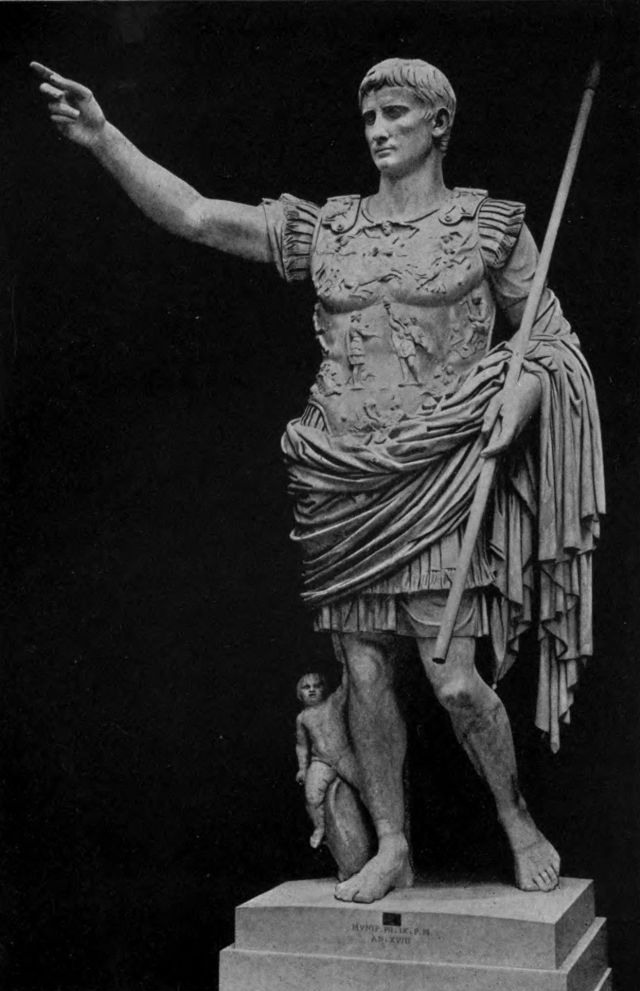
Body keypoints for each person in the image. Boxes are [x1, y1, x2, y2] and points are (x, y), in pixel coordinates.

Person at [31, 56, 604, 904]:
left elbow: (550, 342)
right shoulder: (327, 229)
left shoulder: (487, 228)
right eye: (369, 116)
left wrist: (518, 401)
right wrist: (104, 137)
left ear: (439, 123)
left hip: (438, 477)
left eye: (397, 113)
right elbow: (196, 216)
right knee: (364, 671)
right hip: (341, 478)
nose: (378, 129)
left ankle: (515, 817)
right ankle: (394, 844)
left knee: (453, 677)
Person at [295, 672, 359, 849]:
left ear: (325, 688)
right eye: (306, 687)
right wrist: (303, 768)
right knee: (312, 796)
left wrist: (346, 665)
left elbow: (347, 685)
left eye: (317, 686)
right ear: (299, 694)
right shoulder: (302, 717)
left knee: (365, 788)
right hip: (321, 760)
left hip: (344, 755)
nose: (312, 690)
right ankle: (320, 827)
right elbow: (301, 745)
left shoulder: (334, 701)